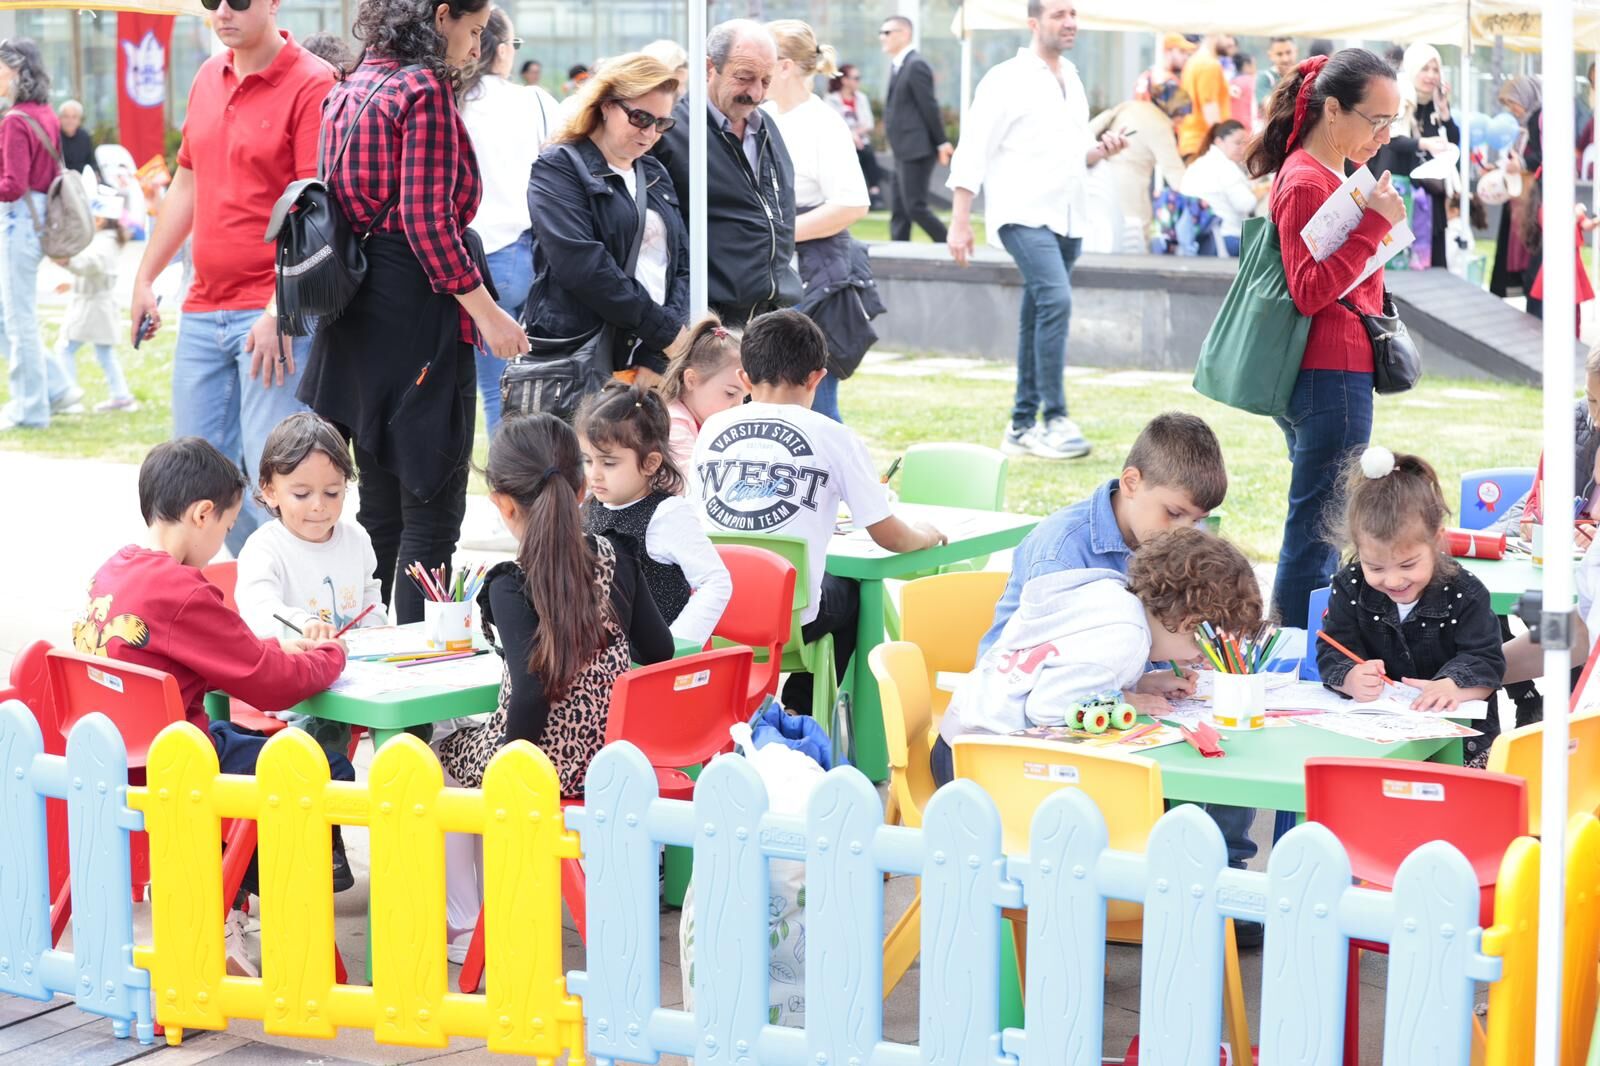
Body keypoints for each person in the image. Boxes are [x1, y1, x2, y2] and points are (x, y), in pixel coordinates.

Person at [74, 437, 354, 973]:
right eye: (227, 528)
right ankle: (260, 896)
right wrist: (331, 655)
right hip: (181, 765)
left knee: (257, 748)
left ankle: (223, 890)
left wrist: (277, 647)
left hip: (116, 760)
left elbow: (234, 655)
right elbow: (271, 685)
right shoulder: (183, 591)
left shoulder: (113, 572)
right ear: (203, 514)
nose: (224, 543)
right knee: (325, 764)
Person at [298, 0, 528, 626]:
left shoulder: (350, 83)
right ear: (442, 15)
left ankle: (384, 667)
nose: (476, 48)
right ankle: (421, 691)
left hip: (356, 308)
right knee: (430, 512)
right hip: (414, 308)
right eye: (474, 30)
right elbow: (428, 222)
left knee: (383, 510)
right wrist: (488, 315)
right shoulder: (422, 88)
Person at [127, 3, 333, 550]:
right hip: (201, 309)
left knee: (277, 481)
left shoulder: (312, 81)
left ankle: (288, 617)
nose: (223, 11)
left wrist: (277, 309)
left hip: (271, 314)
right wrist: (145, 277)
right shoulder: (206, 77)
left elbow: (316, 211)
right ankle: (242, 601)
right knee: (196, 487)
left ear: (272, 3)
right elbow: (186, 186)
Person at [690, 309, 944, 713]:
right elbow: (890, 536)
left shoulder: (712, 431)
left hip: (713, 612)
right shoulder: (835, 436)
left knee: (823, 585)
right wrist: (926, 535)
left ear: (743, 378)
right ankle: (801, 710)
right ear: (817, 378)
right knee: (852, 593)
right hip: (788, 623)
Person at [1245, 49, 1406, 628]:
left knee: (1321, 522)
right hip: (1329, 376)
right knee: (1318, 529)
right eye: (1377, 120)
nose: (1384, 137)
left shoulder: (1322, 173)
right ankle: (1290, 647)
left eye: (1392, 122)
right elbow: (1310, 290)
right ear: (1332, 110)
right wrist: (1374, 228)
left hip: (1331, 373)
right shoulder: (1308, 179)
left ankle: (1298, 643)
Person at [437, 412, 675, 795]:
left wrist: (510, 773)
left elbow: (530, 694)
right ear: (581, 492)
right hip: (610, 765)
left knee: (432, 752)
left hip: (536, 771)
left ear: (503, 503)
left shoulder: (511, 583)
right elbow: (659, 650)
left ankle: (495, 856)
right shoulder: (617, 557)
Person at [946, 0, 1129, 462]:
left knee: (1038, 309)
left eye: (1073, 14)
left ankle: (1021, 424)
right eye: (1058, 14)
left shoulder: (1073, 76)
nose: (1069, 22)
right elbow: (974, 148)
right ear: (1034, 23)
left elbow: (1073, 154)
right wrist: (960, 219)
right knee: (1056, 299)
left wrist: (1101, 150)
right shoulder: (1006, 78)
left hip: (1069, 215)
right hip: (1022, 214)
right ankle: (1055, 418)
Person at [937, 526, 1260, 783]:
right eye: (1204, 647)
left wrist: (1140, 684)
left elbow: (1067, 665)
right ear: (1189, 623)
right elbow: (1047, 708)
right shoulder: (1127, 638)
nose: (1201, 660)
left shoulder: (1113, 592)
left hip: (958, 743)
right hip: (982, 767)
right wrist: (1124, 701)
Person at [979, 411, 1224, 658]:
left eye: (1197, 520)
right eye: (1173, 513)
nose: (1185, 532)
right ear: (1131, 483)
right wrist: (1125, 693)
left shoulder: (1167, 533)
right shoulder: (1061, 550)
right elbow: (1049, 668)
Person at [1317, 447, 1505, 766]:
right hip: (1373, 739)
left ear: (1436, 539)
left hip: (1461, 745)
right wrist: (1348, 676)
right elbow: (1332, 649)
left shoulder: (1465, 592)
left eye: (1407, 564)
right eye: (1375, 567)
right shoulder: (1349, 585)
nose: (1392, 580)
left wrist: (1453, 686)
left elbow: (1487, 660)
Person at [525, 52, 689, 389]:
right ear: (605, 105)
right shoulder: (558, 166)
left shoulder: (654, 171)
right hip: (580, 356)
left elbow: (680, 264)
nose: (651, 132)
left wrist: (655, 355)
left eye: (662, 123)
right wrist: (665, 333)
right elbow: (584, 266)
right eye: (641, 117)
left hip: (649, 358)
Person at [654, 20, 800, 327]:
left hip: (771, 314)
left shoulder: (766, 128)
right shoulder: (673, 131)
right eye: (745, 78)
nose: (756, 93)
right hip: (708, 319)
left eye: (765, 80)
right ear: (709, 68)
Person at [763, 19, 871, 424]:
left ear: (785, 65)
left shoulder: (822, 123)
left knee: (815, 407)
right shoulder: (766, 114)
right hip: (783, 274)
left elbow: (852, 203)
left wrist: (778, 236)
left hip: (814, 280)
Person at [460, 7, 558, 435]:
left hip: (466, 264)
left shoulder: (448, 102)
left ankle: (512, 486)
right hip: (526, 256)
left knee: (493, 390)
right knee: (532, 391)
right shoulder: (533, 100)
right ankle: (529, 486)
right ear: (500, 51)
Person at [576, 383, 732, 646]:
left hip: (650, 669)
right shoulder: (589, 507)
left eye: (609, 463)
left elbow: (715, 582)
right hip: (600, 659)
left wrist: (675, 645)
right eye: (588, 461)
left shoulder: (667, 515)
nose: (594, 474)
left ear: (650, 463)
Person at [235, 410, 387, 657]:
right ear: (270, 492)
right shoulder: (263, 548)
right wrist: (303, 624)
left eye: (332, 492)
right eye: (302, 494)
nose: (318, 505)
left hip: (354, 671)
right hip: (292, 679)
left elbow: (371, 602)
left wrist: (374, 630)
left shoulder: (356, 540)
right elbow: (258, 611)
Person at [0, 40, 80, 432]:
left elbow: (12, 185)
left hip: (18, 222)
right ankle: (56, 388)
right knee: (9, 317)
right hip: (34, 222)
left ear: (16, 70)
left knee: (18, 320)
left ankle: (30, 408)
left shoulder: (15, 118)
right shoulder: (44, 112)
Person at [1369, 44, 1459, 271]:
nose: (1431, 75)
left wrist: (1445, 112)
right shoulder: (1399, 98)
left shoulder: (1436, 104)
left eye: (1435, 69)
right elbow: (1390, 140)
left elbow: (1453, 139)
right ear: (1412, 69)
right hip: (1401, 192)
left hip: (1430, 194)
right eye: (1424, 69)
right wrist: (1424, 143)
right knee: (1398, 263)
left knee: (1433, 266)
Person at [55, 187, 138, 413]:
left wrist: (66, 262)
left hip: (93, 306)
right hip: (95, 303)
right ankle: (121, 396)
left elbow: (91, 264)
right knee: (103, 352)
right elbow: (97, 272)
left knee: (66, 348)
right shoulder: (106, 240)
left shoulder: (103, 243)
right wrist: (72, 282)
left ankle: (67, 394)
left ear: (99, 220)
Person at [878, 15, 951, 244]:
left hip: (917, 149)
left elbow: (929, 106)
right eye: (881, 33)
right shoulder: (899, 65)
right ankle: (898, 253)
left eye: (887, 32)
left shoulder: (915, 65)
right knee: (900, 210)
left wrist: (942, 142)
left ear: (904, 34)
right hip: (903, 149)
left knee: (915, 206)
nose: (883, 37)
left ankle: (950, 242)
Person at [1087, 82, 1190, 238]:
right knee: (1135, 233)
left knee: (1104, 230)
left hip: (1102, 173)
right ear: (1175, 109)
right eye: (1183, 114)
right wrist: (1198, 199)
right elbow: (1174, 172)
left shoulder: (1132, 106)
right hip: (1131, 184)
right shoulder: (1160, 124)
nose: (1182, 121)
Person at [659, 314, 745, 468]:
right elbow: (690, 480)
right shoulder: (675, 422)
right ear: (692, 380)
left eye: (744, 397)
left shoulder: (706, 421)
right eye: (730, 393)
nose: (738, 406)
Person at [1488, 76, 1544, 313]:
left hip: (1535, 201)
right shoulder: (1527, 123)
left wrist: (1519, 163)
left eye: (1514, 103)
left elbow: (1540, 156)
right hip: (1525, 199)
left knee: (1534, 261)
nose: (1513, 110)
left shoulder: (1539, 120)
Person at [1181, 120, 1266, 256]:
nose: (1243, 149)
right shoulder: (1225, 167)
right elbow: (1245, 204)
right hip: (1226, 239)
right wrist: (1263, 190)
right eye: (1238, 143)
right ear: (1219, 142)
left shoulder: (1197, 164)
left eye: (1245, 144)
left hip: (1197, 240)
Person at [827, 64, 884, 210]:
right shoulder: (831, 100)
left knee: (867, 153)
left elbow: (868, 123)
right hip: (840, 144)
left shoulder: (861, 98)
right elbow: (833, 123)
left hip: (860, 142)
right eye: (856, 78)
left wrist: (856, 135)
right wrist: (850, 135)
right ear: (845, 80)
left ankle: (875, 192)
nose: (858, 81)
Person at [1178, 35, 1232, 159]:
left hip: (1193, 142)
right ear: (1213, 33)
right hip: (1203, 145)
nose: (1231, 42)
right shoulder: (1209, 65)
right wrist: (1222, 144)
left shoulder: (1194, 61)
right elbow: (1210, 107)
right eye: (1227, 36)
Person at [57, 99, 98, 180]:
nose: (70, 121)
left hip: (84, 180)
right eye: (66, 116)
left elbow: (92, 162)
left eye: (74, 117)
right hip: (62, 181)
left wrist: (95, 175)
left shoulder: (84, 136)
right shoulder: (55, 136)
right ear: (60, 118)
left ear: (79, 120)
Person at [1258, 37, 1297, 109]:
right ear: (1270, 55)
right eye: (1279, 54)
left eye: (1288, 52)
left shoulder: (1303, 75)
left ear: (1296, 51)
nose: (1285, 59)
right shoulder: (1266, 78)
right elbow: (1270, 107)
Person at [1229, 54, 1256, 131]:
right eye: (1253, 65)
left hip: (1232, 125)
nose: (1255, 68)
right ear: (1246, 66)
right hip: (1247, 125)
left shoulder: (1230, 83)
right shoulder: (1251, 81)